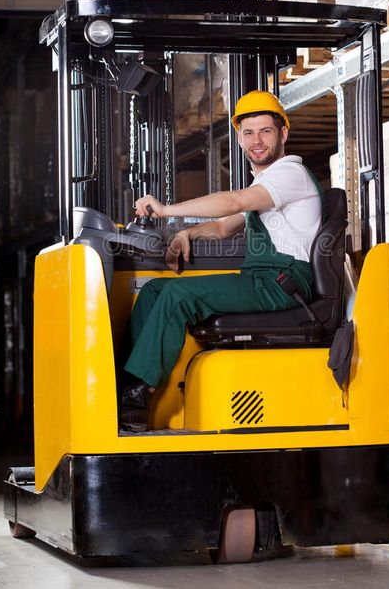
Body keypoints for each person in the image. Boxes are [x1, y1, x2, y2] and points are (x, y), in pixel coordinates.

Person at [120, 89, 323, 431]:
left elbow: (233, 203)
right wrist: (188, 234)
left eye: (265, 131)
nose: (256, 141)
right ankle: (131, 386)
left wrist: (167, 210)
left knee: (177, 295)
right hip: (264, 280)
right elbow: (222, 225)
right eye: (248, 133)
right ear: (240, 138)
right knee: (155, 290)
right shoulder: (266, 184)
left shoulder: (290, 174)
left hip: (284, 282)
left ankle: (136, 401)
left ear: (283, 134)